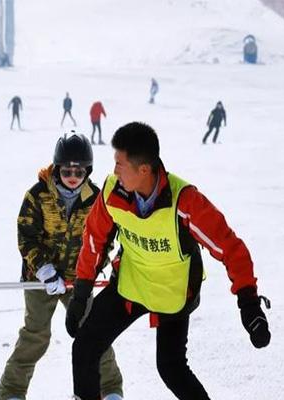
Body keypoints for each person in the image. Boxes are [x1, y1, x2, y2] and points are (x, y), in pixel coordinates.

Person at [66, 122, 271, 400]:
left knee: (170, 367)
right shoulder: (113, 192)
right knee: (85, 347)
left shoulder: (185, 202)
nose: (114, 171)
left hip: (173, 293)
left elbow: (230, 248)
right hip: (132, 284)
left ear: (143, 170)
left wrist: (249, 305)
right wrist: (81, 292)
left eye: (120, 164)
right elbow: (94, 239)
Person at [0, 133, 124, 400]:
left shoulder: (98, 200)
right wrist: (44, 270)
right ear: (57, 168)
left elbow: (104, 240)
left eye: (78, 170)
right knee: (36, 335)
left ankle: (110, 390)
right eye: (66, 169)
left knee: (93, 333)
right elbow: (26, 235)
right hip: (40, 279)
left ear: (87, 171)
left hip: (80, 279)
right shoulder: (38, 195)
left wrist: (90, 272)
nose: (72, 175)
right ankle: (12, 392)